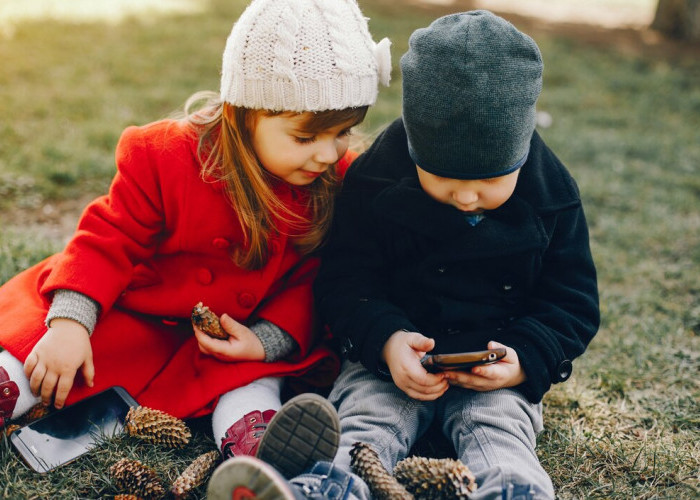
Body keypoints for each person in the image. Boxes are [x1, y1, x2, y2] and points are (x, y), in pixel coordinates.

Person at [208, 9, 600, 500]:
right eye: (445, 180)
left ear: (520, 153)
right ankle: (328, 489)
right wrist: (387, 341)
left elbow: (573, 302)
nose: (466, 198)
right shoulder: (374, 180)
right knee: (365, 420)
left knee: (500, 431)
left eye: (489, 182)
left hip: (495, 367)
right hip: (388, 361)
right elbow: (347, 280)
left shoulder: (552, 194)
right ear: (415, 148)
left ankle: (515, 491)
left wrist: (523, 360)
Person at [0, 0, 391, 472]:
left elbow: (314, 277)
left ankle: (256, 439)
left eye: (344, 132)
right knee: (45, 354)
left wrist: (265, 341)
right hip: (134, 311)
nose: (329, 153)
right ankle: (10, 384)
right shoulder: (165, 156)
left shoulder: (335, 181)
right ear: (242, 114)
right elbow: (108, 238)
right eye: (306, 138)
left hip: (234, 338)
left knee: (248, 380)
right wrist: (71, 324)